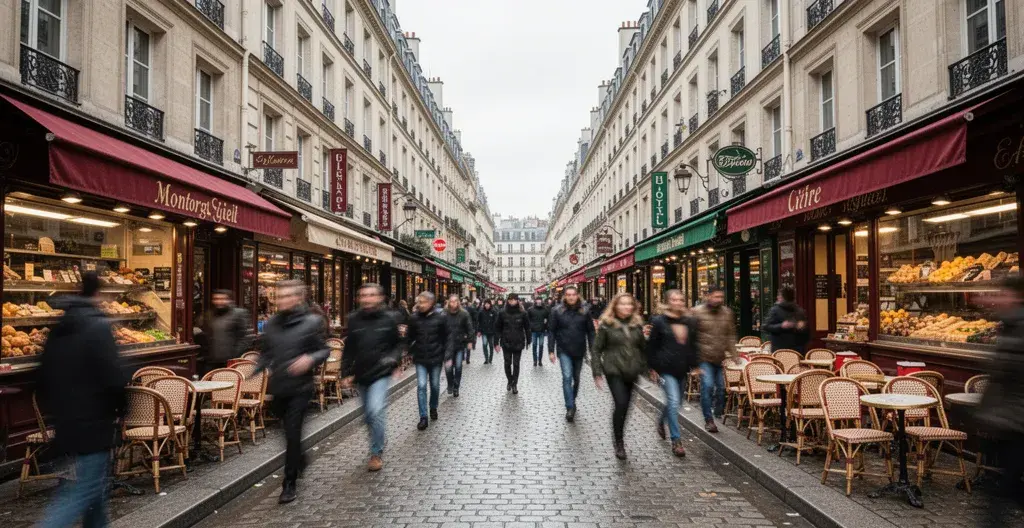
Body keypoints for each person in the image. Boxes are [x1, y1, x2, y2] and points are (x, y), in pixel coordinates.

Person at [37, 272, 128, 528]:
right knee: (80, 494)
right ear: (98, 294)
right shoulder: (98, 326)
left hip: (66, 423)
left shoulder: (60, 327)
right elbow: (113, 376)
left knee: (93, 493)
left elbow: (42, 374)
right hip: (94, 423)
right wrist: (122, 408)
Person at [255, 280, 330, 503]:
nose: (283, 300)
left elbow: (324, 350)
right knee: (287, 434)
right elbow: (266, 352)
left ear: (298, 298)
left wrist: (310, 359)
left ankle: (289, 483)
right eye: (280, 296)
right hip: (278, 387)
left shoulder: (311, 321)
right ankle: (300, 457)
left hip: (300, 388)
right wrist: (260, 366)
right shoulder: (271, 324)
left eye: (288, 296)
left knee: (293, 432)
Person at [976, 278, 1024, 528]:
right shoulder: (1008, 326)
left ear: (1015, 296)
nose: (996, 299)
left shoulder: (1017, 327)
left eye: (1002, 294)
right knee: (1008, 484)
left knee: (1006, 485)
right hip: (1006, 420)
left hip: (1014, 420)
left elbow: (1006, 376)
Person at [340, 284, 402, 473]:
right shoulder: (353, 320)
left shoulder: (389, 319)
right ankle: (379, 437)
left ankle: (376, 452)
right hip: (361, 374)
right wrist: (346, 373)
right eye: (363, 295)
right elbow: (349, 349)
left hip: (381, 372)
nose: (367, 298)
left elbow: (397, 344)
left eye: (371, 295)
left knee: (376, 411)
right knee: (368, 416)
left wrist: (393, 360)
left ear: (380, 297)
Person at [591, 293, 648, 460]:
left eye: (629, 304)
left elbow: (643, 348)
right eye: (622, 304)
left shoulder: (637, 325)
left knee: (625, 407)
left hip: (631, 370)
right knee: (621, 403)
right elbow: (596, 349)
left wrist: (649, 367)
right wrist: (597, 371)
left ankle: (619, 435)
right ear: (615, 306)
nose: (626, 307)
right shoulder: (606, 325)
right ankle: (619, 441)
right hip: (613, 370)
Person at [646, 289, 699, 457]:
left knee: (676, 404)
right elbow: (652, 346)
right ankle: (676, 441)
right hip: (666, 368)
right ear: (668, 302)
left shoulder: (689, 321)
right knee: (674, 402)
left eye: (680, 299)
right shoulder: (659, 322)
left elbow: (692, 345)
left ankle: (662, 421)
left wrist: (696, 365)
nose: (677, 302)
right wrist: (652, 367)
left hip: (682, 369)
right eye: (674, 300)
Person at [692, 287, 737, 433]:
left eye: (720, 297)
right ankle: (709, 420)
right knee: (708, 387)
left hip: (719, 358)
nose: (718, 299)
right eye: (716, 296)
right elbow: (690, 337)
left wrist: (734, 355)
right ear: (708, 296)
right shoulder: (697, 312)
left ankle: (717, 411)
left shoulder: (727, 313)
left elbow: (730, 335)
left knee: (722, 388)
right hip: (704, 358)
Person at [548, 286, 596, 422]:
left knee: (577, 379)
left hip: (579, 350)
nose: (570, 297)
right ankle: (569, 407)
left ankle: (572, 399)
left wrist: (593, 349)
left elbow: (591, 332)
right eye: (568, 294)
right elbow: (551, 331)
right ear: (564, 296)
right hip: (563, 350)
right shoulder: (557, 311)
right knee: (567, 377)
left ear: (577, 296)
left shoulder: (585, 311)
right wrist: (551, 350)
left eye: (573, 294)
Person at [407, 292, 449, 430]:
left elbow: (446, 338)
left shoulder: (441, 318)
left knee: (435, 386)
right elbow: (409, 338)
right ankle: (423, 417)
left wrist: (447, 355)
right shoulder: (414, 318)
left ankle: (433, 407)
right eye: (420, 302)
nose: (421, 304)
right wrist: (407, 351)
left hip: (436, 358)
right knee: (422, 386)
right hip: (420, 358)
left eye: (424, 302)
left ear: (431, 303)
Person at [202, 290, 251, 371]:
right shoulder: (210, 315)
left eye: (222, 299)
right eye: (216, 299)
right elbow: (207, 336)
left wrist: (234, 356)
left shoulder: (239, 314)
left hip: (231, 362)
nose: (219, 301)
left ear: (229, 300)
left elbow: (245, 338)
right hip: (212, 362)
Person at [495, 293, 530, 394]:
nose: (512, 301)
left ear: (517, 301)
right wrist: (496, 342)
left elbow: (527, 327)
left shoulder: (523, 313)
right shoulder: (502, 313)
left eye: (514, 300)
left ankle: (515, 384)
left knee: (516, 364)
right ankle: (510, 380)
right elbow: (497, 327)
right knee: (507, 363)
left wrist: (528, 340)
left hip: (518, 341)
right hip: (506, 341)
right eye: (510, 300)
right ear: (508, 301)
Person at [443, 295, 474, 397]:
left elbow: (470, 328)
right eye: (451, 301)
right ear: (448, 302)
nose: (453, 304)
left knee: (459, 366)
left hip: (460, 344)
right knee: (448, 368)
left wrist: (470, 341)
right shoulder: (444, 313)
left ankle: (456, 387)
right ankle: (450, 384)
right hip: (447, 345)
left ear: (458, 302)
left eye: (455, 301)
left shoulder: (464, 314)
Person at [763, 286, 809, 353]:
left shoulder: (799, 311)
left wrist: (802, 327)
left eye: (779, 295)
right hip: (780, 350)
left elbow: (807, 334)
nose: (777, 297)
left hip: (796, 350)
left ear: (784, 297)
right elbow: (766, 326)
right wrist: (781, 326)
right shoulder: (775, 310)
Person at [527, 297, 550, 367]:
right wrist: (530, 327)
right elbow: (528, 320)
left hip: (542, 331)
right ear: (535, 301)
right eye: (537, 300)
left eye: (540, 300)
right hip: (534, 331)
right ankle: (535, 360)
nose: (539, 301)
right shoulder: (530, 310)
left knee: (541, 346)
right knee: (534, 346)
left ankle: (540, 360)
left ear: (541, 301)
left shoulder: (545, 309)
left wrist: (546, 327)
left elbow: (548, 319)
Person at [477, 299, 499, 364]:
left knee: (491, 345)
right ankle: (486, 359)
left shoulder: (493, 311)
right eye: (485, 304)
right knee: (484, 344)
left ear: (490, 304)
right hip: (484, 331)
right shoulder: (481, 312)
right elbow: (479, 322)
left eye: (488, 304)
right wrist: (479, 331)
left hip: (492, 332)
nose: (487, 305)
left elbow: (496, 322)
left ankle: (490, 358)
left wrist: (496, 330)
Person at [464, 298, 479, 364]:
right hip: (470, 328)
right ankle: (467, 358)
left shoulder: (466, 311)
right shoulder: (472, 309)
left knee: (466, 343)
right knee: (468, 343)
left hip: (467, 328)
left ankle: (465, 358)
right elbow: (476, 319)